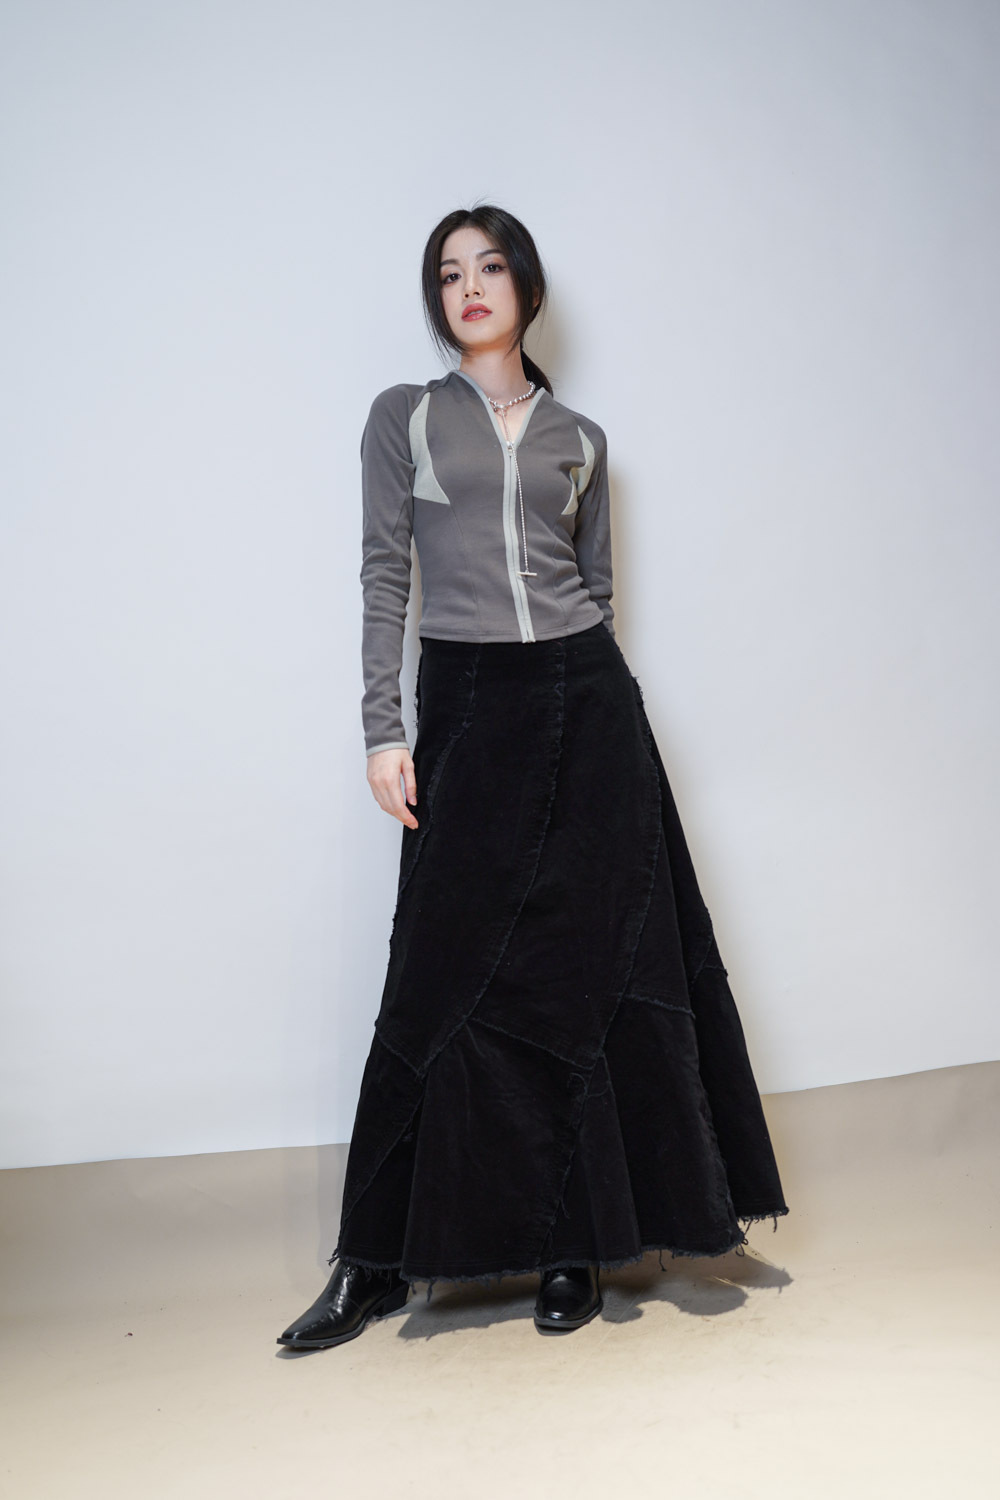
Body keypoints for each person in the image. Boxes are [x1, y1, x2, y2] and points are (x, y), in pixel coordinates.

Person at [277, 203, 788, 1351]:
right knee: (434, 977)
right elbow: (383, 575)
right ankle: (371, 1264)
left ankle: (575, 1247)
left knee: (583, 971)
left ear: (526, 286)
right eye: (448, 274)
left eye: (489, 266)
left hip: (587, 705)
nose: (468, 287)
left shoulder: (581, 439)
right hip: (466, 705)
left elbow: (596, 594)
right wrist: (384, 729)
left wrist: (588, 693)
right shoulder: (405, 417)